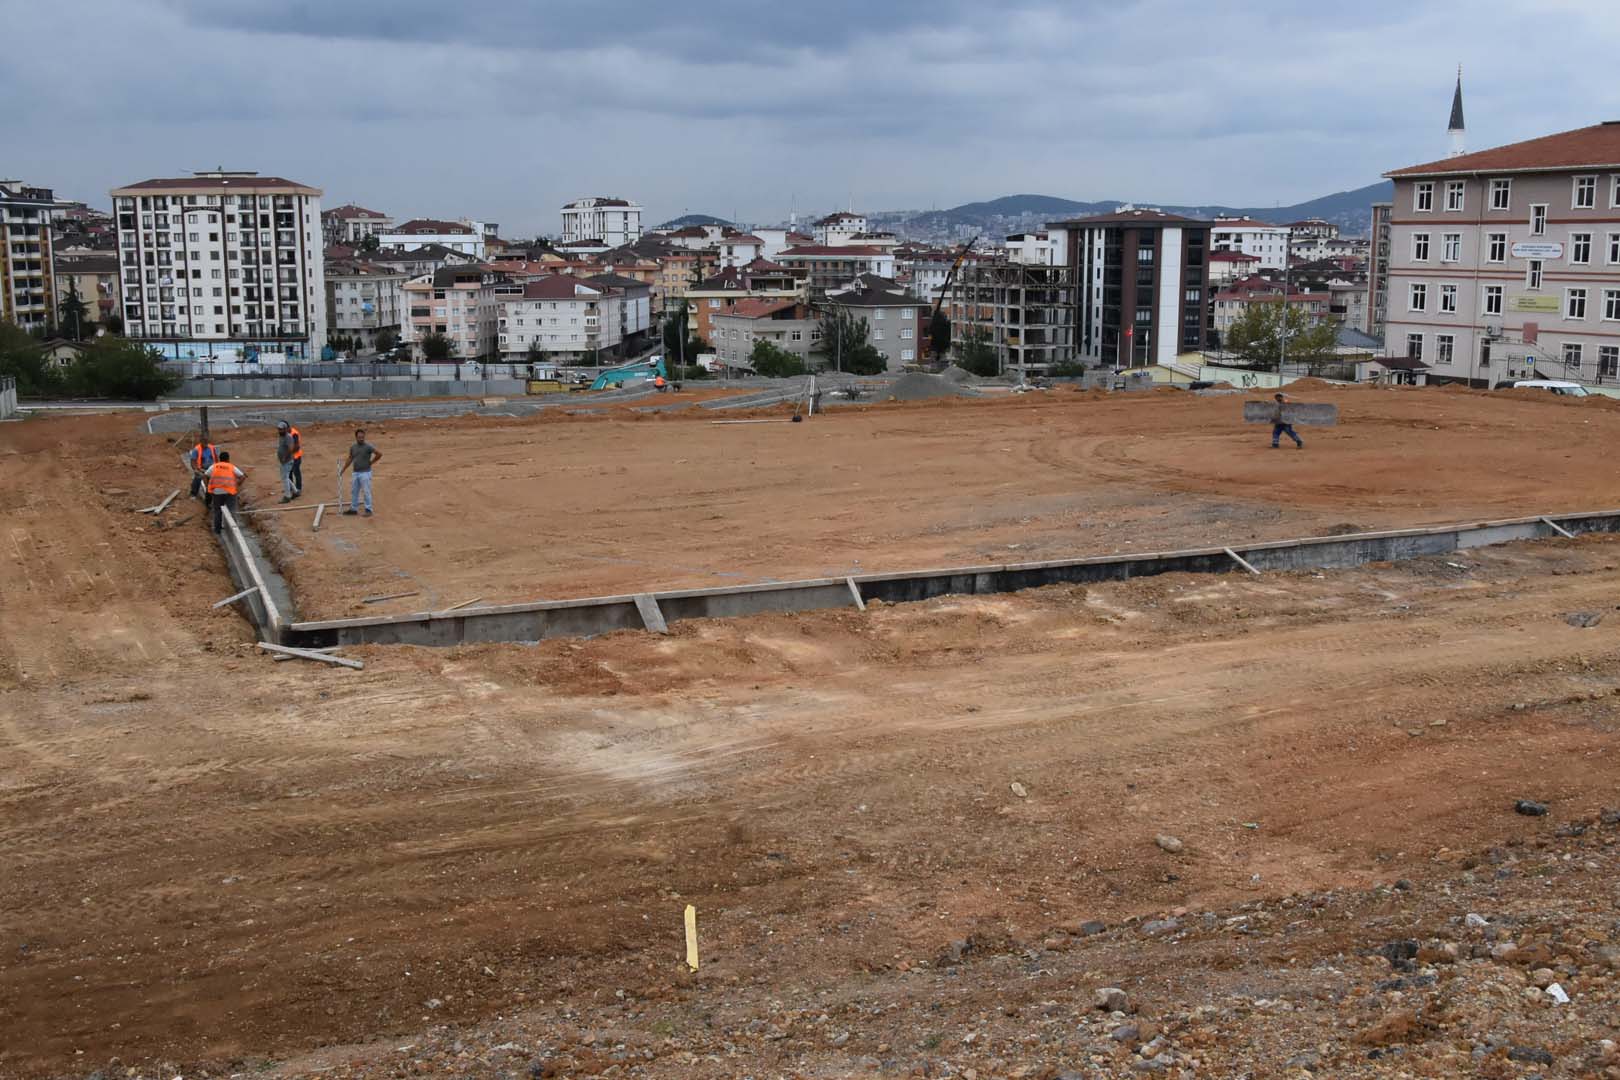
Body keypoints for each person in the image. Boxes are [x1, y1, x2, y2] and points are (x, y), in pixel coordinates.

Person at [338, 428, 382, 516]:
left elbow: (379, 454)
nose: (361, 439)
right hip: (356, 473)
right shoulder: (353, 447)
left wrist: (371, 462)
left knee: (366, 491)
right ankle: (353, 509)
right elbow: (350, 458)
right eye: (359, 437)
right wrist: (343, 469)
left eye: (362, 437)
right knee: (354, 491)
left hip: (365, 473)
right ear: (356, 437)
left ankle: (368, 510)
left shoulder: (368, 446)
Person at [206, 451, 246, 533]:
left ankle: (217, 530)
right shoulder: (231, 467)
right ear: (228, 459)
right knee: (231, 510)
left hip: (217, 492)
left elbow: (205, 475)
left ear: (219, 459)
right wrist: (237, 484)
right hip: (230, 492)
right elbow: (242, 476)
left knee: (217, 511)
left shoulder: (214, 466)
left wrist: (208, 486)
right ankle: (233, 530)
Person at [275, 421, 299, 502]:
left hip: (287, 461)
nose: (279, 431)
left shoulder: (288, 437)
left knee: (284, 478)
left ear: (285, 429)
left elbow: (291, 448)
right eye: (279, 429)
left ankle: (287, 496)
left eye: (281, 429)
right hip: (284, 461)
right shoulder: (281, 436)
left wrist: (285, 457)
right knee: (285, 477)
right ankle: (295, 491)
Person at [188, 438, 218, 503]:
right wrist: (195, 469)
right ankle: (193, 493)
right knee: (198, 478)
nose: (206, 444)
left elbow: (216, 458)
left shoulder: (212, 448)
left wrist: (217, 466)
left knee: (210, 483)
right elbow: (193, 461)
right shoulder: (196, 449)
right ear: (201, 442)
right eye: (204, 442)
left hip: (211, 469)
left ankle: (209, 499)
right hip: (201, 469)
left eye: (207, 442)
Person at [287, 422, 304, 496]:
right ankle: (291, 487)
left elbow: (297, 447)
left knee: (296, 472)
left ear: (288, 428)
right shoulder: (286, 434)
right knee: (289, 473)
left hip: (296, 457)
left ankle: (298, 488)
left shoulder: (294, 434)